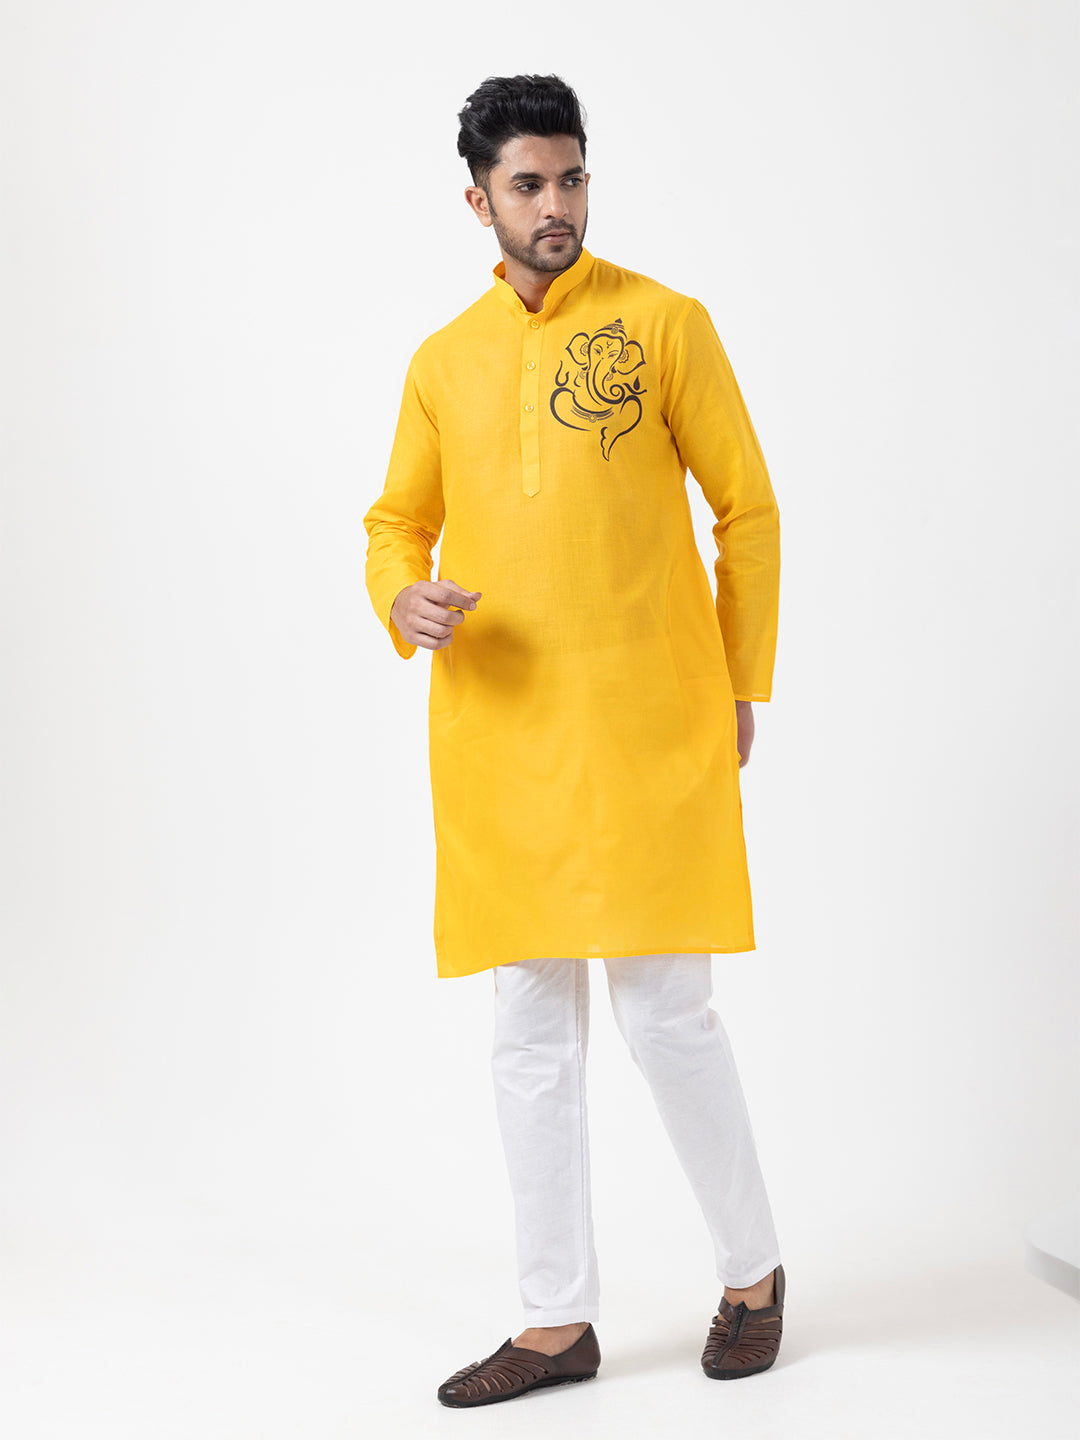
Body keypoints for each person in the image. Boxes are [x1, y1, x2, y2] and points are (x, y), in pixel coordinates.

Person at [363, 73, 786, 1407]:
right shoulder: (443, 361)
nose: (557, 204)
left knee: (668, 1014)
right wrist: (400, 596)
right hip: (503, 728)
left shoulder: (665, 325)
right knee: (530, 1026)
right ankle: (557, 1323)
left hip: (650, 719)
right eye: (529, 184)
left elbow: (748, 509)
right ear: (477, 200)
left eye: (572, 178)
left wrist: (741, 680)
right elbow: (396, 521)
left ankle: (753, 1275)